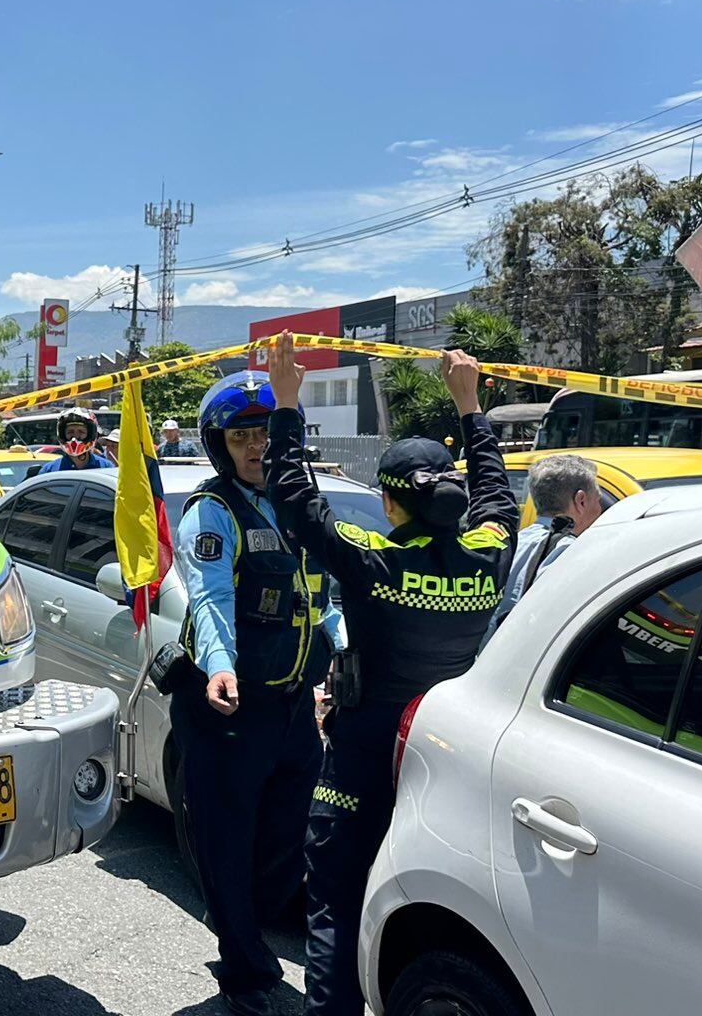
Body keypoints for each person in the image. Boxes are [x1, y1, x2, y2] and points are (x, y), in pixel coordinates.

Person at [259, 332, 517, 1016]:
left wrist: (287, 404)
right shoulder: (489, 556)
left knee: (338, 909)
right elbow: (498, 499)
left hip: (364, 753)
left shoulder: (375, 561)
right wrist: (470, 404)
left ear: (388, 501)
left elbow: (293, 499)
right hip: (444, 761)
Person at [171, 370, 343, 1016]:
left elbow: (325, 596)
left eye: (265, 434)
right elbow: (211, 600)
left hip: (293, 708)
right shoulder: (213, 511)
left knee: (291, 833)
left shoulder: (300, 506)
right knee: (227, 842)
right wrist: (220, 665)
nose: (255, 447)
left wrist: (348, 649)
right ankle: (244, 975)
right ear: (221, 445)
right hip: (227, 707)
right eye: (242, 435)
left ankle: (247, 930)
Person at [486, 454, 602, 639]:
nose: (600, 509)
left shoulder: (511, 543)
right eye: (598, 499)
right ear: (581, 501)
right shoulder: (571, 553)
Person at [36, 408, 114, 474]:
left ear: (90, 434)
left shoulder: (106, 467)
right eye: (70, 432)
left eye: (81, 432)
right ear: (62, 435)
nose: (75, 437)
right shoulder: (49, 470)